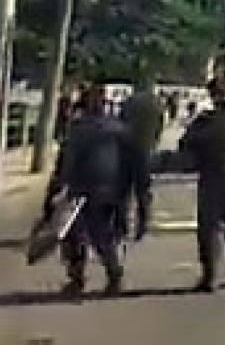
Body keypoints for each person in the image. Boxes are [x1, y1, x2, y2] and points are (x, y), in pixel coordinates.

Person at [42, 84, 152, 297]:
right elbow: (138, 165)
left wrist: (54, 191)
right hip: (111, 190)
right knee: (98, 236)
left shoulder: (81, 130)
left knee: (81, 236)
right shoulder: (120, 130)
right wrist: (140, 198)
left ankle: (86, 278)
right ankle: (109, 275)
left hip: (87, 189)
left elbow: (66, 164)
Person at [180, 77, 225, 292]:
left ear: (211, 95)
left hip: (212, 177)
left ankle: (210, 275)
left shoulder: (205, 121)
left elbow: (186, 143)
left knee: (209, 229)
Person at [121, 79, 164, 156]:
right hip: (147, 139)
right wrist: (156, 138)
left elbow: (122, 119)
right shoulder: (155, 102)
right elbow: (160, 123)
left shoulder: (130, 101)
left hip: (131, 140)